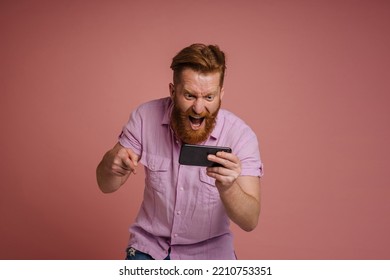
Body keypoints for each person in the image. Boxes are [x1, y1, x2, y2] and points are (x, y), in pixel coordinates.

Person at [96, 43, 264, 260]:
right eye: (190, 95)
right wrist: (111, 164)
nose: (198, 108)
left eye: (209, 97)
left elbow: (250, 221)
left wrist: (229, 187)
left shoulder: (241, 135)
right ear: (173, 91)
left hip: (211, 254)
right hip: (149, 249)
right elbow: (106, 186)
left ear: (221, 94)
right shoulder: (144, 117)